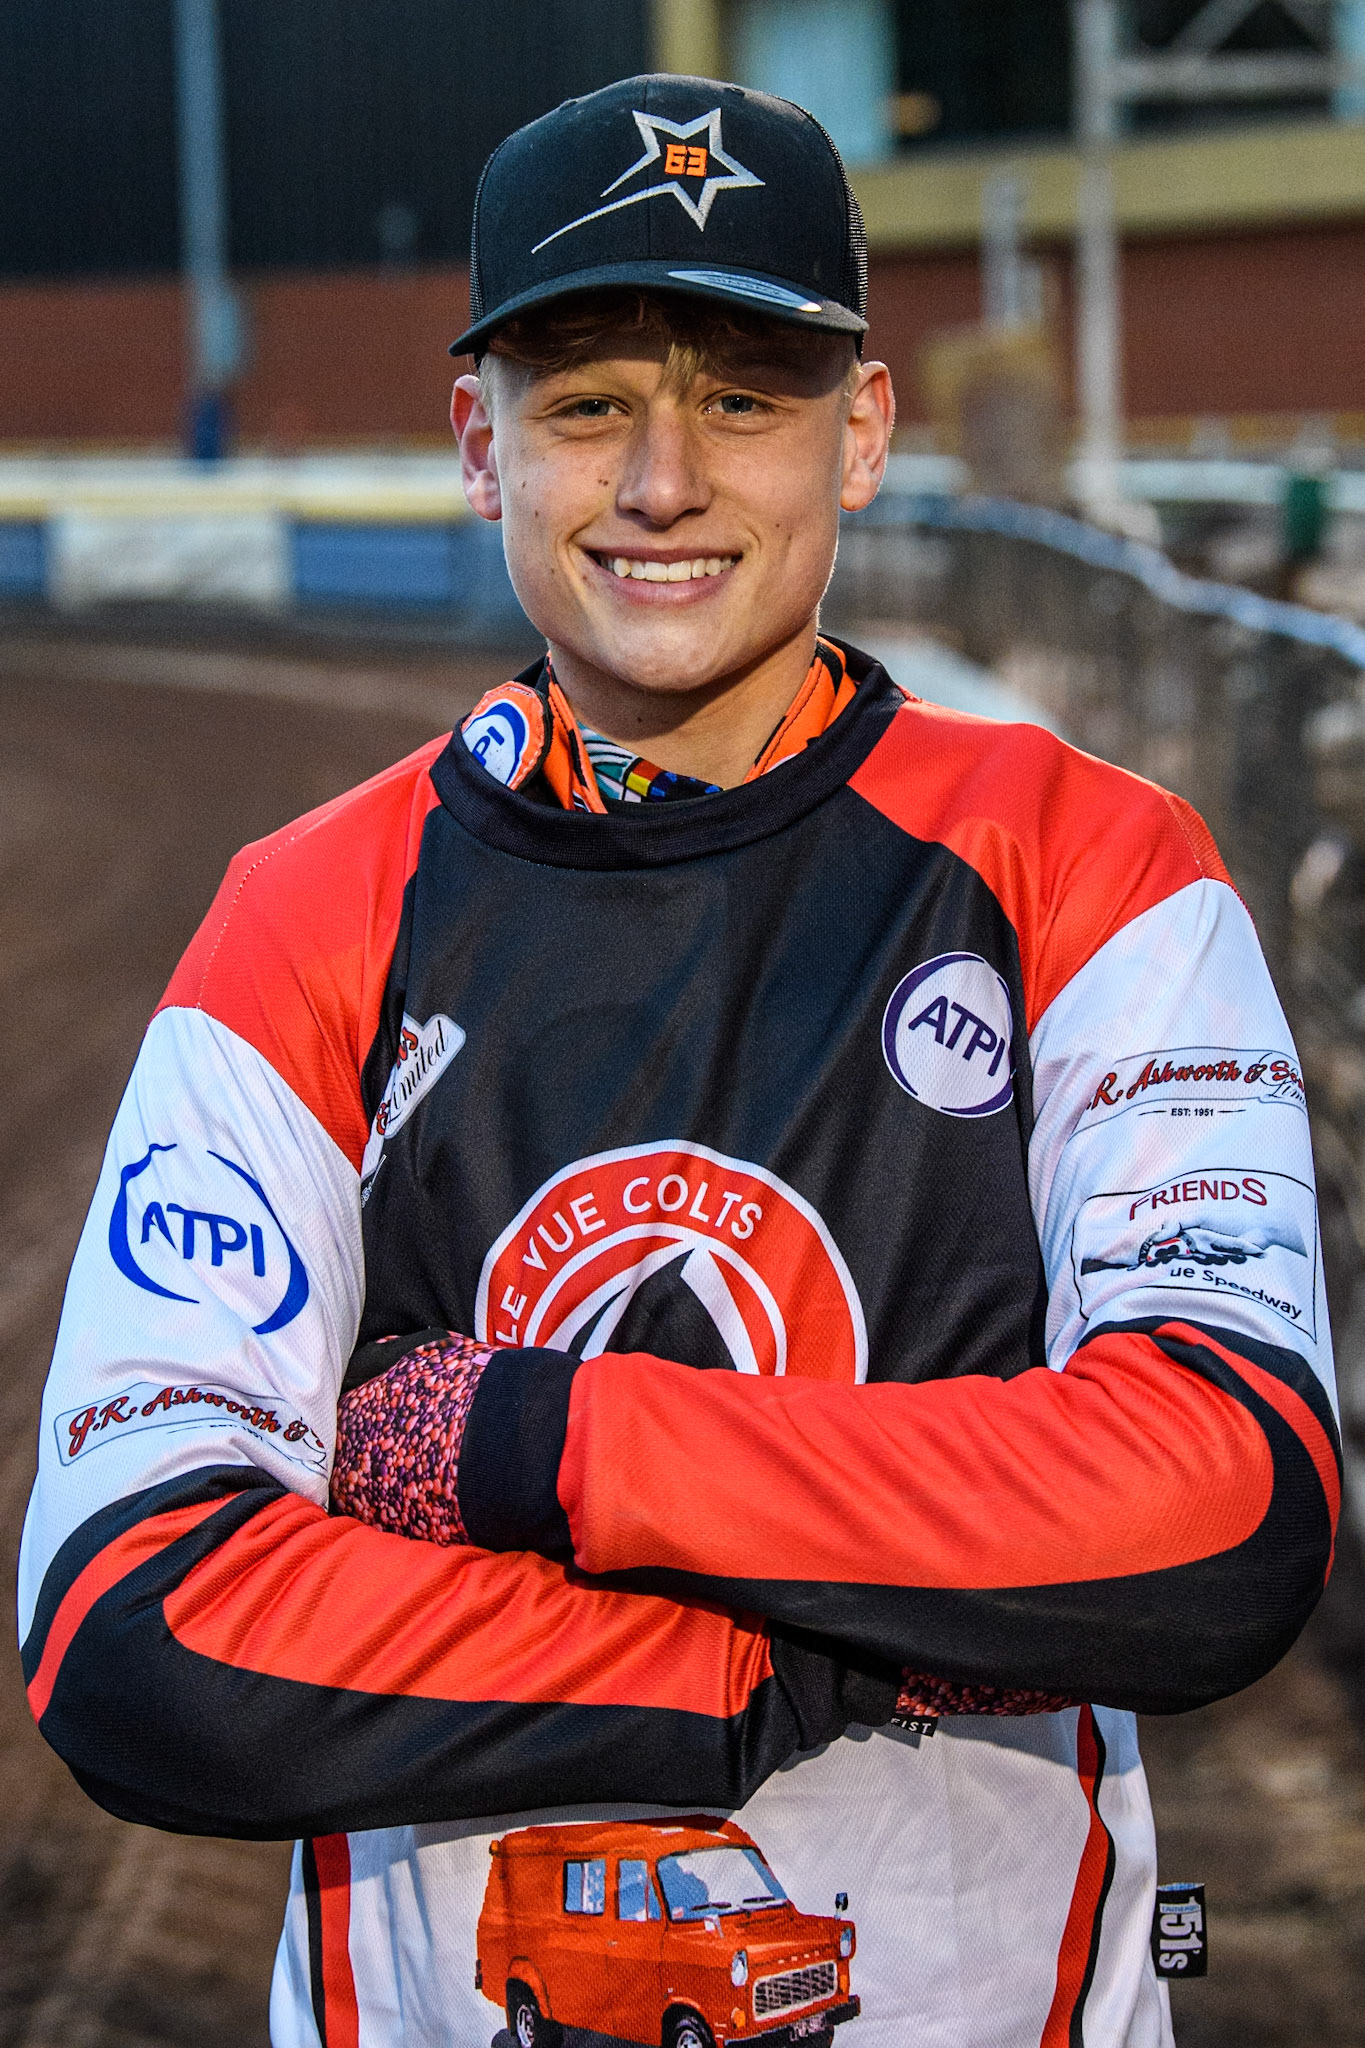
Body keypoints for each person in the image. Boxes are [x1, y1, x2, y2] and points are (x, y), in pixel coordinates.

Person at [20, 73, 1338, 2048]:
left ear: (862, 432)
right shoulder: (303, 910)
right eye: (584, 404)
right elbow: (140, 1625)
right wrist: (808, 1664)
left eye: (741, 396)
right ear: (478, 442)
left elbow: (1220, 1502)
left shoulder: (1097, 865)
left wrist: (526, 1446)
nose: (660, 483)